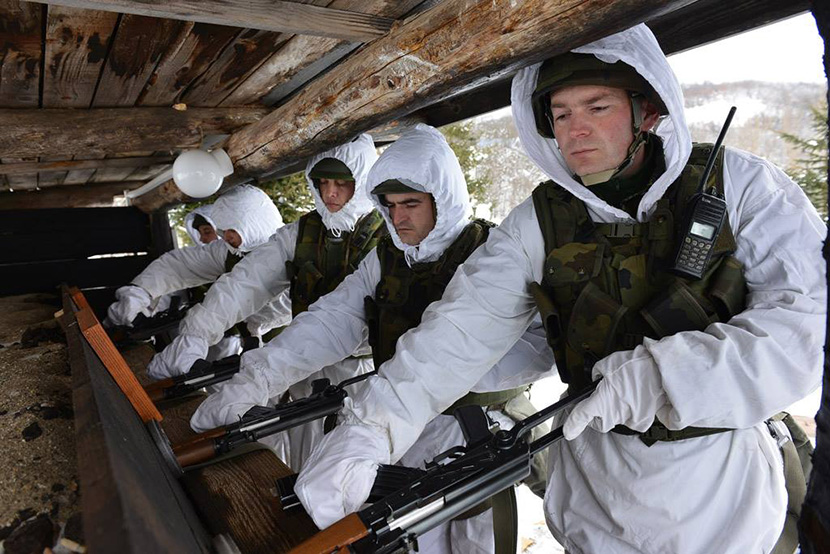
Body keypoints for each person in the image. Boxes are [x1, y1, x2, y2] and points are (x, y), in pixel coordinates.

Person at [293, 24, 826, 554]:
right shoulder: (542, 221)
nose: (577, 132)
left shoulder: (741, 187)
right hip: (594, 485)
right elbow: (457, 331)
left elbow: (803, 329)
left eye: (598, 108)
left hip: (722, 482)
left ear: (649, 111)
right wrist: (368, 429)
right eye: (562, 114)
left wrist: (659, 379)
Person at [191, 124, 555, 553]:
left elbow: (540, 348)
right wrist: (257, 378)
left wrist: (439, 378)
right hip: (398, 424)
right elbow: (331, 320)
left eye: (411, 203)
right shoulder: (387, 259)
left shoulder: (493, 251)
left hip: (473, 432)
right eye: (389, 204)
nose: (398, 218)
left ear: (443, 198)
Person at [146, 135, 386, 467]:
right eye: (323, 181)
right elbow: (248, 280)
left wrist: (259, 377)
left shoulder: (388, 239)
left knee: (348, 467)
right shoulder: (303, 232)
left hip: (360, 372)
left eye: (342, 183)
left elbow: (346, 320)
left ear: (361, 183)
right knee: (298, 460)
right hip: (303, 370)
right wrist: (198, 331)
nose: (330, 193)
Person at [104, 185, 290, 362]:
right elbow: (180, 266)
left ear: (250, 223)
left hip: (268, 347)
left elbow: (265, 310)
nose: (225, 237)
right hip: (217, 334)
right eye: (222, 231)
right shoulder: (230, 251)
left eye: (231, 230)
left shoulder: (291, 259)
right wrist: (140, 293)